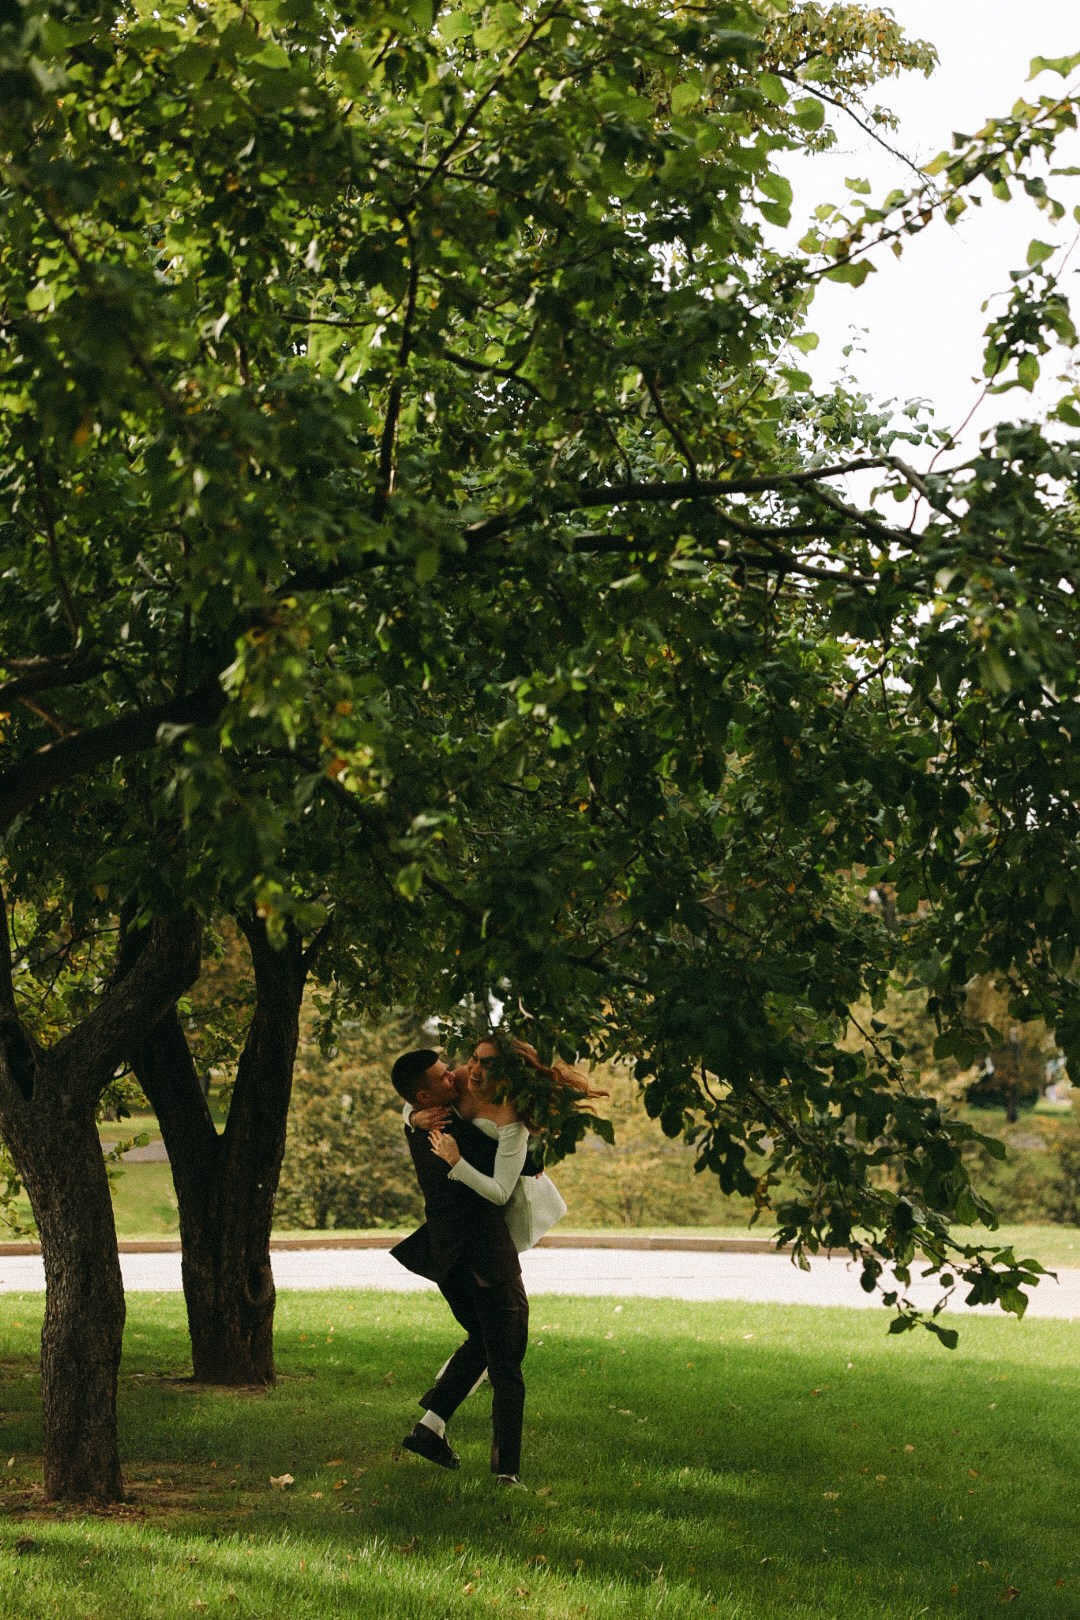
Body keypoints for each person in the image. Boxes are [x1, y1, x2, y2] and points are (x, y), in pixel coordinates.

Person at [389, 1046, 530, 1485]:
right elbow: (504, 1185)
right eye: (443, 1076)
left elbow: (410, 1105)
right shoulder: (455, 1132)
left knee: (484, 1345)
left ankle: (429, 1427)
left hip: (447, 1257)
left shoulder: (426, 1122)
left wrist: (411, 1116)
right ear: (426, 1097)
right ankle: (506, 1472)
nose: (455, 1074)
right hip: (483, 1256)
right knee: (507, 1360)